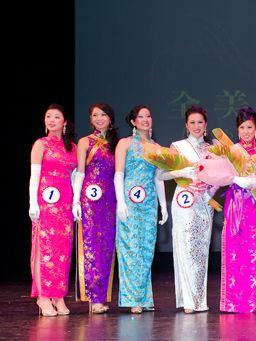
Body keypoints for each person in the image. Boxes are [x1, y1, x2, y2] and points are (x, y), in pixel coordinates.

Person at [157, 105, 217, 313]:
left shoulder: (212, 149)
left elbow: (219, 177)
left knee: (201, 251)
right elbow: (161, 175)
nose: (196, 126)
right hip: (184, 201)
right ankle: (188, 301)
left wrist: (210, 189)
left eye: (200, 122)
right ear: (186, 125)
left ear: (206, 125)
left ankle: (199, 299)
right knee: (185, 247)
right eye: (192, 122)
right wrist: (181, 171)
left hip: (204, 203)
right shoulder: (177, 147)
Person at [114, 105, 168, 314]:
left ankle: (144, 296)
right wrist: (120, 202)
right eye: (140, 117)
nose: (145, 119)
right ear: (133, 122)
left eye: (148, 116)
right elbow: (119, 174)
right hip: (129, 201)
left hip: (148, 203)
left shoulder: (157, 147)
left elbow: (158, 178)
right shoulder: (125, 144)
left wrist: (163, 205)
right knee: (130, 248)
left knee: (146, 249)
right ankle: (132, 298)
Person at [219, 107, 256, 313]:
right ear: (237, 129)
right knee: (235, 250)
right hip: (235, 204)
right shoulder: (230, 151)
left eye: (249, 127)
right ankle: (232, 302)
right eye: (242, 127)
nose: (246, 131)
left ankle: (253, 302)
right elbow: (221, 176)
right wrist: (235, 179)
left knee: (255, 251)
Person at [29, 103, 77, 316]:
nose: (52, 120)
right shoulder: (41, 144)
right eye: (48, 116)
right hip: (46, 204)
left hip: (65, 203)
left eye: (56, 117)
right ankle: (42, 296)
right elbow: (35, 176)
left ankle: (58, 296)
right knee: (44, 248)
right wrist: (33, 202)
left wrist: (76, 203)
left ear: (64, 122)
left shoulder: (72, 147)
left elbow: (75, 178)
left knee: (62, 251)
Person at [72, 103, 118, 314]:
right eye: (95, 115)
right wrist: (75, 201)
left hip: (110, 200)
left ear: (110, 119)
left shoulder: (116, 144)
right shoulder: (84, 142)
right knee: (91, 244)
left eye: (103, 115)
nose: (99, 119)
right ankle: (93, 297)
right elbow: (80, 172)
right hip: (90, 201)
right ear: (90, 120)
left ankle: (102, 295)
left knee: (107, 247)